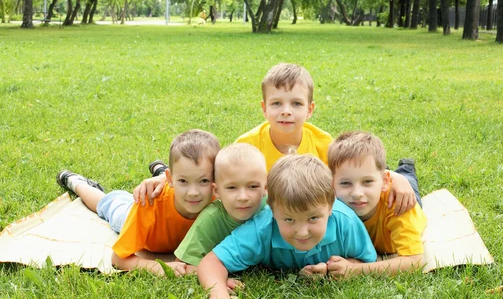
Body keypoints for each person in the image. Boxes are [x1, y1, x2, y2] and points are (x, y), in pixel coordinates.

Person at [134, 63, 418, 215]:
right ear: (263, 107)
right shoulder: (246, 144)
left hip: (301, 212)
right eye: (276, 103)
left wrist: (398, 178)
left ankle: (406, 170)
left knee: (408, 197)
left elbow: (354, 170)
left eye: (295, 104)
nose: (285, 111)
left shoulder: (322, 142)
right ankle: (159, 168)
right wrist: (164, 179)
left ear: (310, 109)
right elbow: (210, 176)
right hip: (274, 213)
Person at [197, 154, 377, 299]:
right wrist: (218, 295)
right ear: (272, 210)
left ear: (330, 206)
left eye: (313, 218)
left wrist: (341, 268)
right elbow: (212, 262)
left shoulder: (345, 222)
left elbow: (367, 261)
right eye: (289, 220)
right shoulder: (262, 228)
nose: (302, 232)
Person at [56, 129, 219, 276]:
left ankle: (161, 171)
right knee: (109, 203)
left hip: (167, 185)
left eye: (204, 180)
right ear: (170, 179)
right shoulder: (149, 202)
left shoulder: (220, 201)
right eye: (183, 180)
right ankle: (76, 183)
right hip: (136, 221)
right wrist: (160, 267)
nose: (193, 192)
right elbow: (118, 259)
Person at [325, 131, 427, 276]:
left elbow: (414, 261)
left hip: (403, 197)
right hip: (380, 185)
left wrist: (355, 270)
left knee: (408, 181)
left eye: (367, 181)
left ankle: (407, 168)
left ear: (385, 181)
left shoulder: (398, 207)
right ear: (332, 183)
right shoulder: (331, 207)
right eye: (346, 183)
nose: (357, 193)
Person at [174, 143, 268, 270]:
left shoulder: (272, 207)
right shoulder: (210, 219)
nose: (243, 197)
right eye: (232, 187)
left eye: (253, 186)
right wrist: (216, 276)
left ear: (265, 188)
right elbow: (182, 264)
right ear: (216, 191)